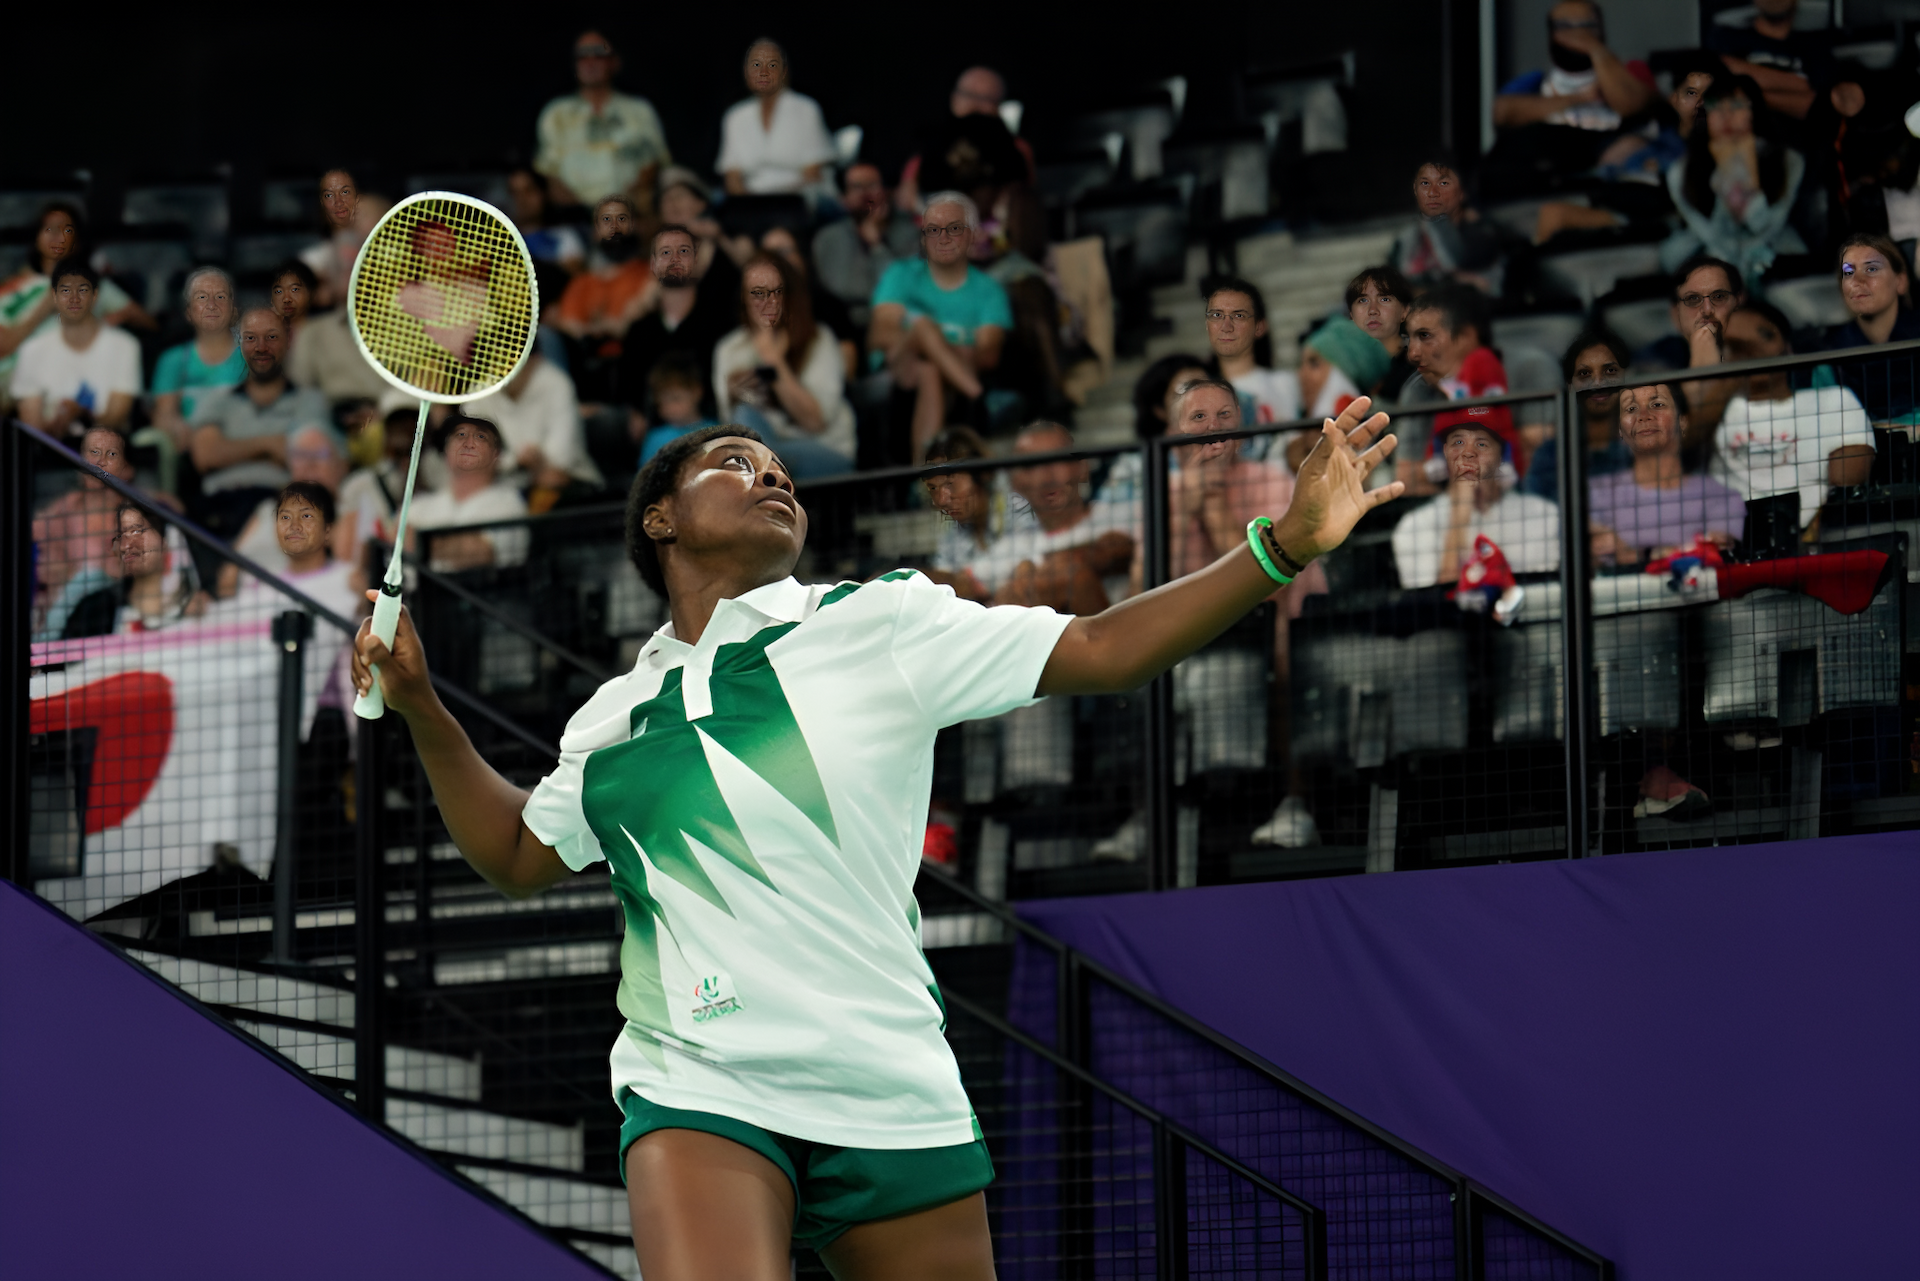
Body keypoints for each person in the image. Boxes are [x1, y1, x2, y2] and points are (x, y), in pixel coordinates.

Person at [349, 399, 1401, 1281]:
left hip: (887, 1078)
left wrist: (1283, 546)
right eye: (735, 463)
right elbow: (521, 859)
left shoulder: (884, 622)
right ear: (661, 519)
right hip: (701, 1079)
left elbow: (1103, 647)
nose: (774, 478)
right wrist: (423, 707)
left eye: (781, 471)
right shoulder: (615, 718)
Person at [869, 192, 1011, 461]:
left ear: (973, 234)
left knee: (930, 368)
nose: (942, 238)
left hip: (939, 370)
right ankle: (975, 394)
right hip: (899, 365)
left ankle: (923, 475)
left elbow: (988, 354)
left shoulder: (989, 290)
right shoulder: (901, 275)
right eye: (932, 230)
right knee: (921, 328)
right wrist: (932, 338)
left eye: (954, 229)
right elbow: (882, 335)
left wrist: (935, 348)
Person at [1713, 301, 1875, 534]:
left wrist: (1812, 537)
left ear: (1787, 346)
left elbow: (1848, 487)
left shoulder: (1835, 401)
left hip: (1819, 541)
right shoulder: (1712, 417)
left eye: (1762, 337)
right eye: (1734, 347)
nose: (1749, 353)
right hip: (1732, 548)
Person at [1530, 51, 1724, 246]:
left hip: (1651, 219)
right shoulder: (1651, 126)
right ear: (1674, 96)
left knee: (1554, 215)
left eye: (1707, 97)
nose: (1699, 104)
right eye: (1691, 93)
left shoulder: (1706, 148)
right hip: (1607, 194)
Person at [189, 308, 332, 552]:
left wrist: (233, 449)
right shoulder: (217, 399)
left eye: (272, 337)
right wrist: (268, 445)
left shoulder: (311, 401)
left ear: (289, 341)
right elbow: (206, 456)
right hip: (219, 509)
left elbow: (309, 465)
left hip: (280, 508)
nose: (261, 347)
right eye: (251, 338)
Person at [712, 253, 857, 478]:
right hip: (761, 449)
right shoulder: (730, 350)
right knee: (743, 418)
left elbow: (815, 422)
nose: (766, 302)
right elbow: (732, 426)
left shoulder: (818, 340)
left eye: (775, 292)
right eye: (756, 293)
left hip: (823, 448)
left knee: (760, 461)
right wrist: (741, 393)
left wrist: (773, 361)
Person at [970, 420, 1134, 613]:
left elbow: (1115, 550)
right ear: (1016, 482)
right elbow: (963, 583)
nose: (1047, 476)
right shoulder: (1011, 545)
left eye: (1057, 459)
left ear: (1082, 467)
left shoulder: (1124, 514)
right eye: (1032, 465)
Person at [1391, 408, 1561, 589]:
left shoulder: (1544, 515)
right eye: (1458, 442)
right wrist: (1459, 518)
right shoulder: (1412, 527)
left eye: (1482, 443)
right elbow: (1434, 609)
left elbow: (1541, 596)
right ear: (1443, 454)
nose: (1469, 453)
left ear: (1501, 454)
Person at [1659, 76, 1805, 285]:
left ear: (1755, 112)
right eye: (1715, 107)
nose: (1725, 116)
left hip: (1770, 247)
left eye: (1737, 105)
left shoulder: (1790, 161)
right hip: (1709, 248)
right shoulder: (1680, 170)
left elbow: (1767, 227)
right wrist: (1724, 176)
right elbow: (1711, 235)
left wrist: (1748, 178)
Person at [1590, 381, 1746, 567]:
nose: (1643, 416)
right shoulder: (1594, 494)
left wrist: (1634, 552)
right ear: (1620, 431)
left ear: (1683, 421)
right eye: (1631, 409)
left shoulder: (1720, 497)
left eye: (1657, 405)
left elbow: (1712, 556)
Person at [1, 202, 141, 408]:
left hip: (73, 376)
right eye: (49, 228)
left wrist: (106, 324)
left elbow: (145, 321)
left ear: (76, 241)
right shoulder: (15, 288)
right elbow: (4, 346)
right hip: (15, 378)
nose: (56, 236)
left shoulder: (92, 284)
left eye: (66, 229)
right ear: (37, 236)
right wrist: (45, 308)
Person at [534, 32, 671, 213]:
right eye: (582, 57)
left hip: (631, 216)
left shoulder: (640, 111)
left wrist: (618, 210)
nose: (590, 63)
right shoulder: (555, 113)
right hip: (574, 217)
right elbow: (549, 175)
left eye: (598, 55)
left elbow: (654, 165)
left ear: (615, 62)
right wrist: (586, 215)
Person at [32, 426, 142, 640]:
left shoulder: (133, 513)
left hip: (104, 613)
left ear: (127, 468)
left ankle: (42, 650)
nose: (97, 462)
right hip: (54, 606)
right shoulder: (65, 507)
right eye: (92, 452)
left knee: (88, 578)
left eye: (110, 454)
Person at [1396, 283, 1507, 495]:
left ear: (1465, 336)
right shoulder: (1417, 390)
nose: (1413, 354)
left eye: (1425, 336)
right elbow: (1404, 481)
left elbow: (1528, 467)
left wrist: (1436, 472)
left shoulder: (1528, 371)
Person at [1491, 1, 1655, 143]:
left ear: (1601, 29)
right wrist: (1580, 98)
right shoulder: (1534, 82)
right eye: (1564, 26)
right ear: (1551, 33)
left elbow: (1634, 107)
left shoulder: (1628, 71)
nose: (1576, 33)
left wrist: (1596, 50)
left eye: (1586, 26)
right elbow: (1503, 113)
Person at [12, 261, 142, 436]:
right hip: (47, 457)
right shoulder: (31, 350)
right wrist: (56, 426)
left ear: (95, 296)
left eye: (82, 290)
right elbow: (32, 428)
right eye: (65, 290)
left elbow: (116, 418)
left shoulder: (125, 346)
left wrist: (80, 413)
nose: (74, 298)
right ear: (54, 297)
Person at [219, 424, 351, 592]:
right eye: (301, 455)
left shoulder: (345, 510)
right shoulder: (268, 509)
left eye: (320, 454)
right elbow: (230, 569)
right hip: (251, 601)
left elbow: (347, 571)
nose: (309, 464)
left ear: (341, 464)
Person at [462, 352, 604, 508]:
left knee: (551, 481)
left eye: (512, 361)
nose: (504, 370)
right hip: (503, 490)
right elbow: (472, 458)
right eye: (497, 361)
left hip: (572, 485)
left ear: (534, 360)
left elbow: (560, 461)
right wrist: (516, 460)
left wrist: (509, 463)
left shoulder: (557, 383)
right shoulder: (481, 392)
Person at [896, 67, 1036, 214]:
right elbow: (907, 202)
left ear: (998, 106)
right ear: (953, 98)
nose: (974, 105)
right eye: (968, 95)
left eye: (986, 99)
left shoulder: (1017, 150)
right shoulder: (924, 155)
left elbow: (1025, 201)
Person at [1522, 327, 1634, 502]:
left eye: (1610, 371)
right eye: (1584, 374)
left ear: (1628, 376)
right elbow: (1538, 515)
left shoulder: (1641, 445)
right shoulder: (1550, 456)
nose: (1598, 383)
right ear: (1570, 385)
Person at [406, 416, 531, 572]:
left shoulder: (509, 503)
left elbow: (480, 555)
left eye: (480, 437)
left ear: (496, 455)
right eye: (459, 435)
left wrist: (417, 541)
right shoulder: (419, 505)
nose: (467, 443)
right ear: (446, 451)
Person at [921, 425, 1029, 602]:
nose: (941, 500)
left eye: (951, 485)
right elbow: (944, 583)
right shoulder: (952, 529)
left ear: (982, 475)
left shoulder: (1019, 504)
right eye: (933, 489)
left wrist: (967, 580)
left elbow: (1026, 567)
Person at [812, 163, 921, 338]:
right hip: (845, 327)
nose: (865, 193)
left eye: (872, 185)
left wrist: (877, 247)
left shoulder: (909, 234)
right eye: (856, 187)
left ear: (887, 191)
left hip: (901, 323)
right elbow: (842, 289)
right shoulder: (828, 239)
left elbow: (901, 291)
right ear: (843, 198)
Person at [1708, 0, 1860, 123]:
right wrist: (1799, 86)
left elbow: (1816, 105)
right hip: (1740, 136)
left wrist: (1747, 92)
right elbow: (1719, 74)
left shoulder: (1814, 46)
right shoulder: (1726, 38)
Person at [1823, 233, 1920, 425]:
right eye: (1848, 272)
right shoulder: (1830, 350)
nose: (1857, 280)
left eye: (1872, 269)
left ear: (1900, 282)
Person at [718, 40, 835, 199]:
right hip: (751, 202)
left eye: (771, 65)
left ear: (784, 71)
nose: (763, 72)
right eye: (756, 65)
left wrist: (774, 203)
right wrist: (751, 205)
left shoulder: (806, 109)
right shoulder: (735, 116)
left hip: (798, 199)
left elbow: (813, 173)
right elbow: (732, 176)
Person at [151, 269, 245, 456]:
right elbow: (164, 413)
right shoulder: (173, 360)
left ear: (234, 309)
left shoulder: (253, 358)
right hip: (189, 454)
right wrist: (174, 426)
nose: (211, 305)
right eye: (202, 297)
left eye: (220, 297)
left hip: (242, 447)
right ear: (188, 312)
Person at [1288, 318, 1392, 473]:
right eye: (1300, 364)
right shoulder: (1290, 441)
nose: (1302, 374)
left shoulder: (1373, 434)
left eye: (1314, 363)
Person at [1391, 153, 1505, 294]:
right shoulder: (1406, 240)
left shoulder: (1483, 232)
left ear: (1462, 193)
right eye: (1425, 184)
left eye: (1443, 183)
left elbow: (1457, 259)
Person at [1201, 276, 1299, 438]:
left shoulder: (1285, 384)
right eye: (1217, 315)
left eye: (1238, 316)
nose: (1226, 326)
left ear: (1259, 327)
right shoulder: (1196, 392)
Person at [758, 224, 857, 378]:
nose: (776, 261)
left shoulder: (830, 306)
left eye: (783, 252)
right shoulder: (752, 310)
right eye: (768, 255)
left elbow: (847, 370)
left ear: (802, 256)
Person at [113, 501, 209, 633]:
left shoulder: (199, 605)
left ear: (164, 541)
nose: (125, 545)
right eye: (119, 536)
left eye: (136, 531)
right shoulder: (98, 610)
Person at [299, 169, 368, 311]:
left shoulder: (382, 251)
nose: (338, 201)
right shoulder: (311, 261)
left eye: (345, 192)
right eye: (329, 195)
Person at [1345, 265, 1416, 397]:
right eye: (1363, 300)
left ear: (1405, 310)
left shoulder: (1417, 364)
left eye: (1384, 299)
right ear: (1351, 315)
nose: (1372, 310)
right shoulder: (1344, 367)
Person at [638, 355, 721, 466]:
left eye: (675, 398)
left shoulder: (717, 431)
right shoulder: (655, 438)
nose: (670, 407)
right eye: (662, 402)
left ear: (697, 392)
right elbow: (646, 478)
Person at [508, 167, 587, 274]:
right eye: (515, 193)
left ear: (543, 193)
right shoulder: (501, 240)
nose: (522, 199)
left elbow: (577, 281)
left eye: (528, 190)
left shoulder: (564, 238)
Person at [269, 259, 318, 346]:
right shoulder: (266, 333)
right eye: (279, 291)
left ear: (311, 293)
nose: (286, 299)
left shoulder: (323, 332)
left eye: (294, 289)